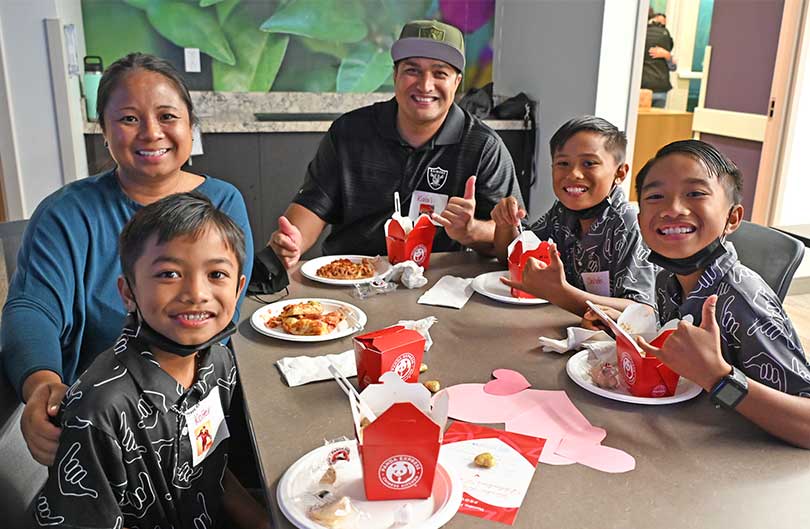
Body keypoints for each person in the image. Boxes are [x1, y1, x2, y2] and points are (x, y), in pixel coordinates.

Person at [1, 52, 254, 466]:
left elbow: (220, 319)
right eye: (129, 119)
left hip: (194, 402)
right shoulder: (66, 214)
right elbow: (32, 307)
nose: (152, 133)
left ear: (191, 126)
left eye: (168, 116)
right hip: (99, 419)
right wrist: (41, 382)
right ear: (104, 130)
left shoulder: (222, 201)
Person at [34, 192, 270, 528]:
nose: (196, 293)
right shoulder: (100, 410)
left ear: (238, 288)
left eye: (216, 274)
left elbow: (210, 467)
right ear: (128, 292)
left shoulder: (218, 361)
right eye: (169, 274)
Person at [269, 19, 522, 268]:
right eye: (412, 70)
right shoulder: (349, 132)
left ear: (456, 82)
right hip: (352, 276)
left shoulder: (484, 147)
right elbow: (315, 204)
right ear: (395, 76)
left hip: (439, 282)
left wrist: (471, 231)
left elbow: (511, 242)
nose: (425, 85)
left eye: (440, 73)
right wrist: (293, 241)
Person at [630, 139, 810, 448]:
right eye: (656, 196)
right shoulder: (667, 280)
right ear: (640, 221)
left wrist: (718, 378)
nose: (673, 209)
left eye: (696, 194)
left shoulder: (741, 300)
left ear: (733, 218)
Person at [493, 116, 657, 316]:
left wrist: (561, 292)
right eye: (563, 163)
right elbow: (511, 259)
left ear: (620, 173)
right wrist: (505, 224)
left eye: (589, 163)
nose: (574, 174)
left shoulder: (629, 224)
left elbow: (643, 311)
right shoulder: (561, 212)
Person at [641, 13, 677, 108]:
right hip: (659, 88)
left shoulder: (640, 35)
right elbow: (673, 67)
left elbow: (673, 67)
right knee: (655, 120)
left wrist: (667, 55)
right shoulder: (666, 37)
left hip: (644, 86)